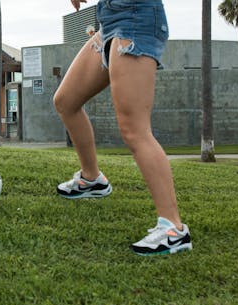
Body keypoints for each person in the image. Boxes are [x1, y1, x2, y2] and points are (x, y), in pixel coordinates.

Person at [55, 0, 192, 255]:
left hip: (136, 18)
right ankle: (92, 179)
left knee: (134, 129)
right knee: (66, 101)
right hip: (109, 20)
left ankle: (174, 229)